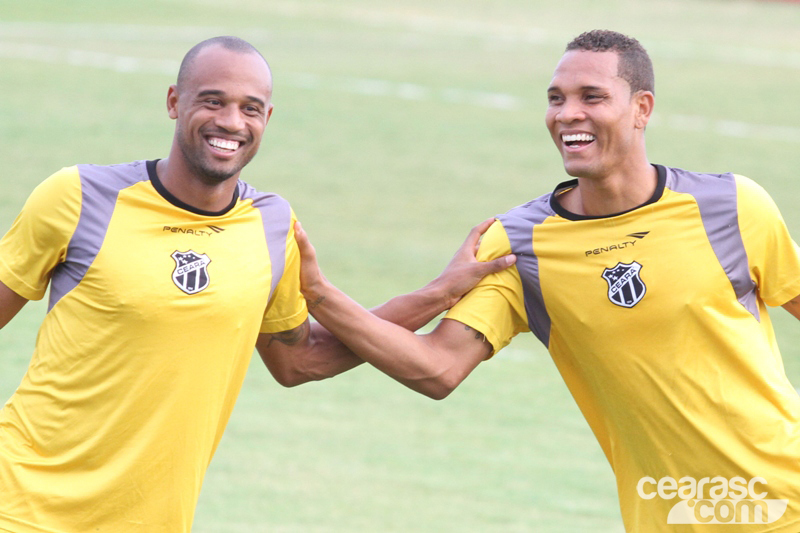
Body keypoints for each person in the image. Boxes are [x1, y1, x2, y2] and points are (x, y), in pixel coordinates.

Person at [0, 36, 513, 532]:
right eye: (212, 101)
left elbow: (300, 361)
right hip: (21, 505)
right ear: (175, 102)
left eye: (250, 108)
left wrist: (437, 296)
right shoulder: (79, 196)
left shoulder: (271, 225)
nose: (230, 122)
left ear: (267, 119)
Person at [294, 30, 800, 531]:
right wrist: (318, 293)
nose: (567, 114)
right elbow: (437, 369)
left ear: (641, 108)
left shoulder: (732, 206)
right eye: (556, 99)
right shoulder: (518, 245)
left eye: (592, 97)